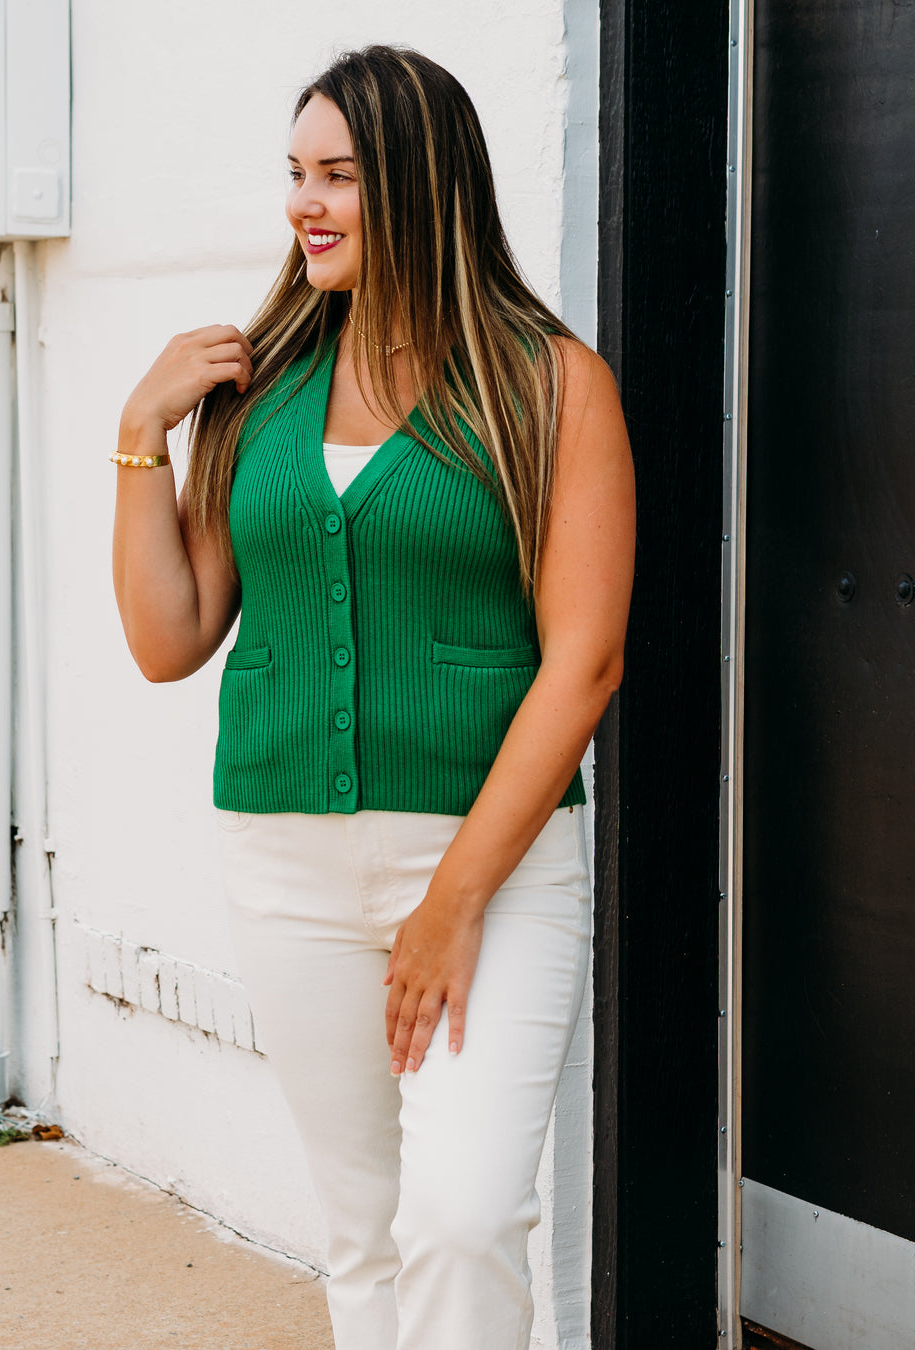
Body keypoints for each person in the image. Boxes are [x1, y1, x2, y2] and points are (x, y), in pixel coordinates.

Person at [111, 44, 634, 1350]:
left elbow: (587, 661)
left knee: (460, 1218)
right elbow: (170, 639)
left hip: (496, 874)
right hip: (286, 865)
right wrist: (138, 436)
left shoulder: (549, 384)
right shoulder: (260, 388)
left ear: (423, 183)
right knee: (365, 1236)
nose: (306, 204)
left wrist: (452, 903)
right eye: (296, 173)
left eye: (338, 175)